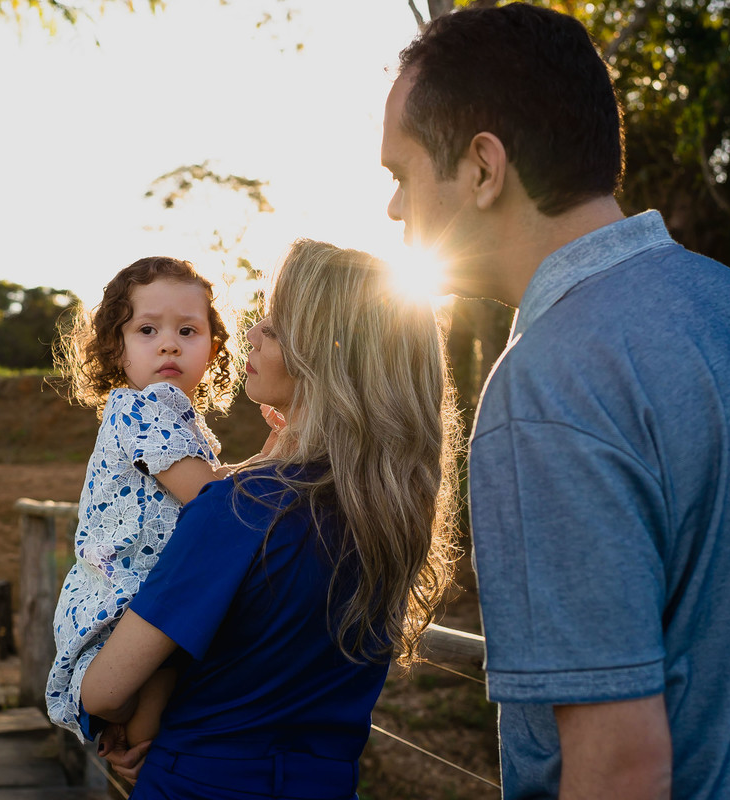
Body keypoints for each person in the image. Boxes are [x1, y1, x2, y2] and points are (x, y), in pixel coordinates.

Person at [381, 5, 730, 799]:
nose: (394, 208)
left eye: (402, 174)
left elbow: (620, 766)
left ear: (483, 169)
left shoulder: (545, 389)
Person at [77, 239, 460, 799]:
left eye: (275, 328)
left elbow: (105, 692)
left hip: (202, 783)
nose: (250, 334)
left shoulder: (237, 509)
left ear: (325, 354)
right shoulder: (389, 513)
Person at [46, 255, 245, 745]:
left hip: (157, 598)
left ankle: (139, 747)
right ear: (117, 348)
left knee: (148, 715)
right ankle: (137, 740)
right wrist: (274, 457)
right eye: (148, 330)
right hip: (121, 594)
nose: (169, 344)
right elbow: (210, 494)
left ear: (214, 348)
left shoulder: (179, 418)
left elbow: (212, 483)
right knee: (110, 698)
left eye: (188, 331)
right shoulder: (140, 407)